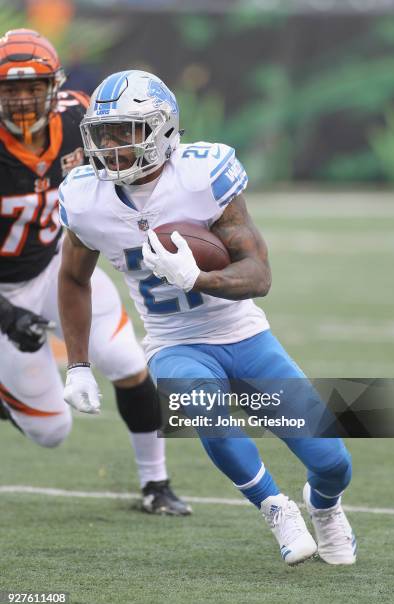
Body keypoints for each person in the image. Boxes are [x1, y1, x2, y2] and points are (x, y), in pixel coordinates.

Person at [58, 69, 357, 565]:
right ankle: (274, 506)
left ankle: (324, 508)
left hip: (243, 333)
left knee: (332, 463)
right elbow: (71, 279)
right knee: (200, 406)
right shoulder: (85, 198)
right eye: (104, 132)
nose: (111, 145)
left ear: (163, 131)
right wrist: (78, 364)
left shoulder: (203, 174)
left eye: (126, 131)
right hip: (174, 343)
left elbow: (258, 274)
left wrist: (196, 277)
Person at [0, 29, 190, 516]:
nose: (22, 99)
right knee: (52, 430)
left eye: (33, 86)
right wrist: (6, 314)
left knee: (128, 363)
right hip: (3, 291)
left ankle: (156, 483)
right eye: (10, 89)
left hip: (56, 268)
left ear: (55, 85)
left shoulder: (78, 117)